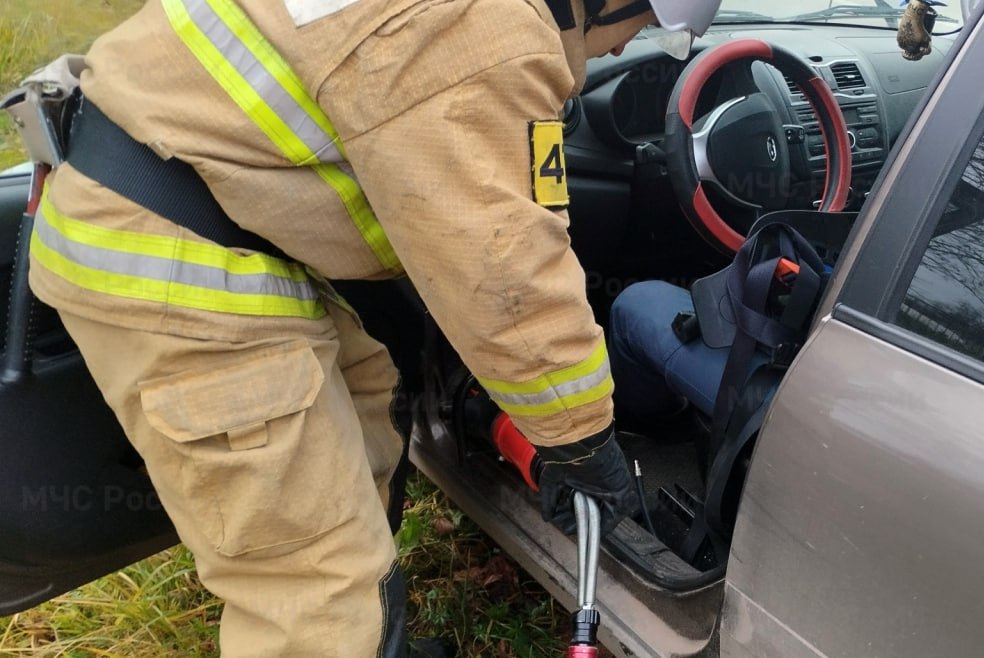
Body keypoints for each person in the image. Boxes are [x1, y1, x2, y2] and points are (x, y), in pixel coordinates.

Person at [23, 0, 719, 655]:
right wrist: (580, 441)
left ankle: (370, 633)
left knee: (368, 402)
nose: (625, 49)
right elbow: (503, 273)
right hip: (174, 262)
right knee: (308, 576)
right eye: (643, 24)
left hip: (219, 219)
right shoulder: (481, 32)